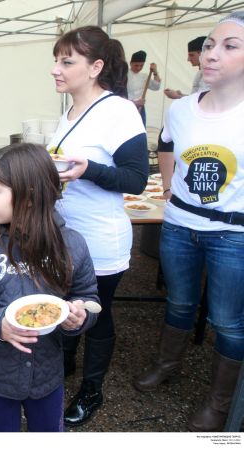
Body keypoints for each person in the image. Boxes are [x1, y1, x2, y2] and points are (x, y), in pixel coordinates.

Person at [133, 12, 244, 432]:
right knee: (179, 301)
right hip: (178, 226)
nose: (212, 54)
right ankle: (167, 363)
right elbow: (165, 142)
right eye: (211, 45)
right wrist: (166, 184)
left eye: (229, 46)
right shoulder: (181, 109)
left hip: (234, 234)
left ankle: (219, 402)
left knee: (228, 320)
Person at [0, 144, 99, 432]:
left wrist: (80, 317)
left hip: (47, 375)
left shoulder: (72, 245)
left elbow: (88, 296)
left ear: (29, 196)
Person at [48, 26, 149, 427]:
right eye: (56, 60)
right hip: (64, 236)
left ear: (96, 67)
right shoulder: (67, 112)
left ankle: (92, 389)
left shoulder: (118, 110)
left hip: (101, 240)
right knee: (67, 304)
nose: (56, 69)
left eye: (66, 61)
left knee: (95, 311)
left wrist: (88, 170)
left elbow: (136, 178)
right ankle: (65, 363)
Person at [127, 50, 161, 125]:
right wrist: (134, 103)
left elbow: (156, 86)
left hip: (140, 108)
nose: (139, 68)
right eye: (136, 65)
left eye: (141, 65)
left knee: (140, 131)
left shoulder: (144, 77)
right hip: (127, 107)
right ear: (131, 63)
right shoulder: (124, 75)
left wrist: (155, 71)